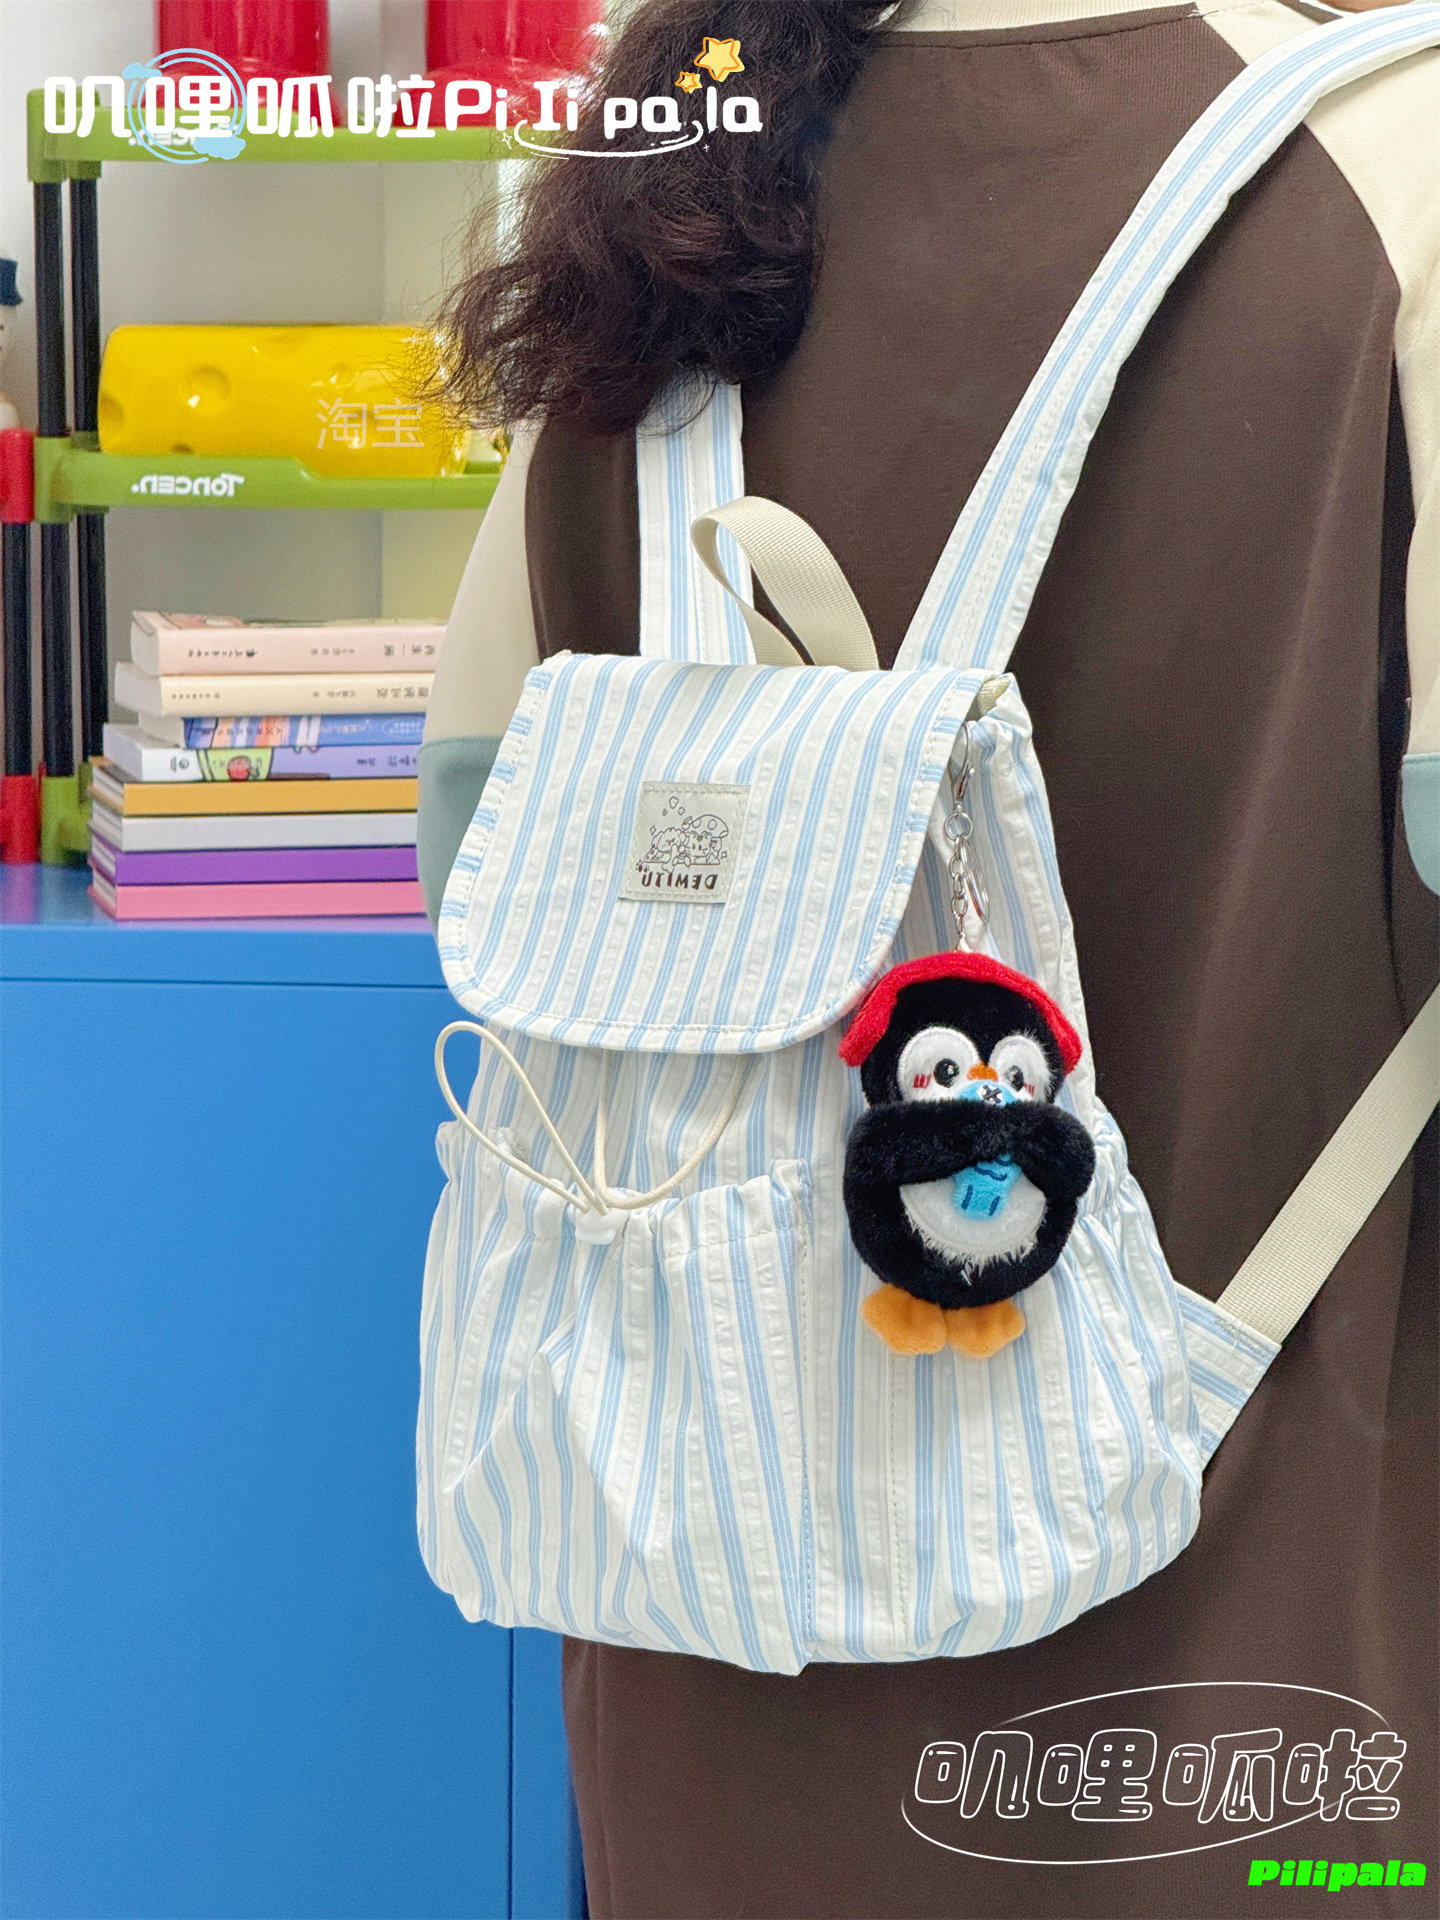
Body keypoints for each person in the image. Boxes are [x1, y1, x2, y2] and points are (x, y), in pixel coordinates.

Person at [419, 1, 1438, 1913]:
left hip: (704, 1604)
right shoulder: (1395, 152)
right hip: (1242, 1621)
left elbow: (472, 835)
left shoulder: (669, 174)